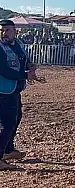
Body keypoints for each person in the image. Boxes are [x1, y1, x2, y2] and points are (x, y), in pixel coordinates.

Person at [0, 19, 43, 171]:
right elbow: (4, 70)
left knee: (16, 118)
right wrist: (26, 75)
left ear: (15, 31)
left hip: (14, 89)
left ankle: (8, 150)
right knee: (7, 123)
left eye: (7, 30)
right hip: (3, 91)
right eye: (2, 30)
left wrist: (31, 66)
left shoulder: (18, 44)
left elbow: (24, 59)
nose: (4, 33)